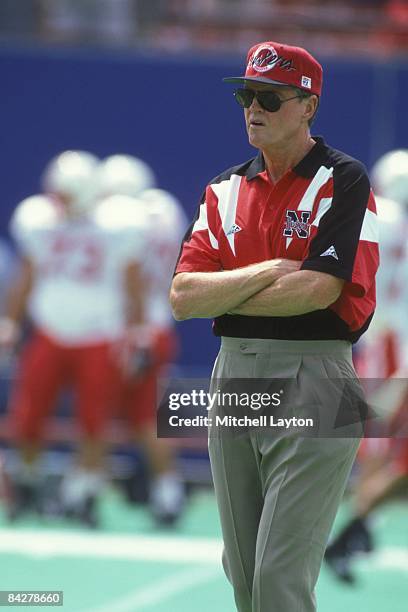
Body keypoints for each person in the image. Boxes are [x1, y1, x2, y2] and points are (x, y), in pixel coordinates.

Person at [170, 41, 379, 612]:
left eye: (269, 97)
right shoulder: (222, 188)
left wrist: (228, 290)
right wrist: (266, 271)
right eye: (246, 95)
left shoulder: (345, 180)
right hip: (233, 372)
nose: (252, 107)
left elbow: (317, 291)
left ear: (309, 106)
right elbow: (182, 296)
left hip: (318, 374)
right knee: (243, 576)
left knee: (279, 576)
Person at [1, 150, 148, 526]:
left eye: (65, 193)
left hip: (100, 335)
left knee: (94, 422)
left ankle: (84, 490)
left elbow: (135, 284)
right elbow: (27, 272)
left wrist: (139, 333)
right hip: (50, 332)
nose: (57, 202)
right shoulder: (39, 220)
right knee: (28, 416)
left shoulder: (118, 223)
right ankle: (30, 482)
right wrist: (10, 322)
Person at [325, 152, 408, 584]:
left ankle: (359, 527)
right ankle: (355, 527)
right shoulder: (391, 218)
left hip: (382, 334)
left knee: (375, 442)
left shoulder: (382, 215)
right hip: (391, 339)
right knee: (377, 442)